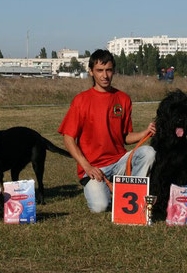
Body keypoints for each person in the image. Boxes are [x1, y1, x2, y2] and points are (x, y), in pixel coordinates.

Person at [58, 49, 156, 213]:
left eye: (109, 70)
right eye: (100, 70)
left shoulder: (123, 99)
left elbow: (126, 137)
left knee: (149, 152)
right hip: (93, 168)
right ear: (91, 72)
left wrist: (146, 131)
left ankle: (131, 192)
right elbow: (68, 139)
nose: (105, 75)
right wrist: (87, 167)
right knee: (100, 207)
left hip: (119, 163)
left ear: (114, 71)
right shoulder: (81, 100)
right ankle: (105, 190)